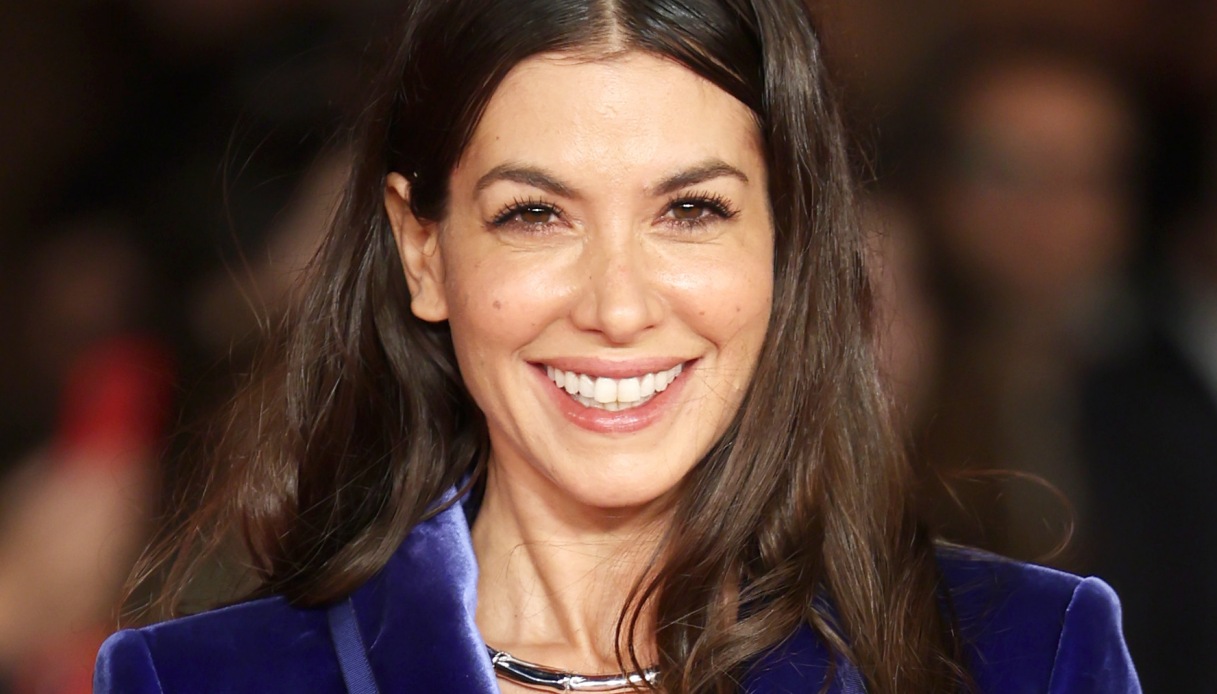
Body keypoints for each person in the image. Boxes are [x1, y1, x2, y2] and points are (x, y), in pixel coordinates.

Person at [94, 1, 1140, 692]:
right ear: (423, 252)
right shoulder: (199, 681)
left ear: (786, 244)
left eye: (690, 210)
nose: (618, 305)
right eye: (534, 215)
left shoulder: (1026, 657)